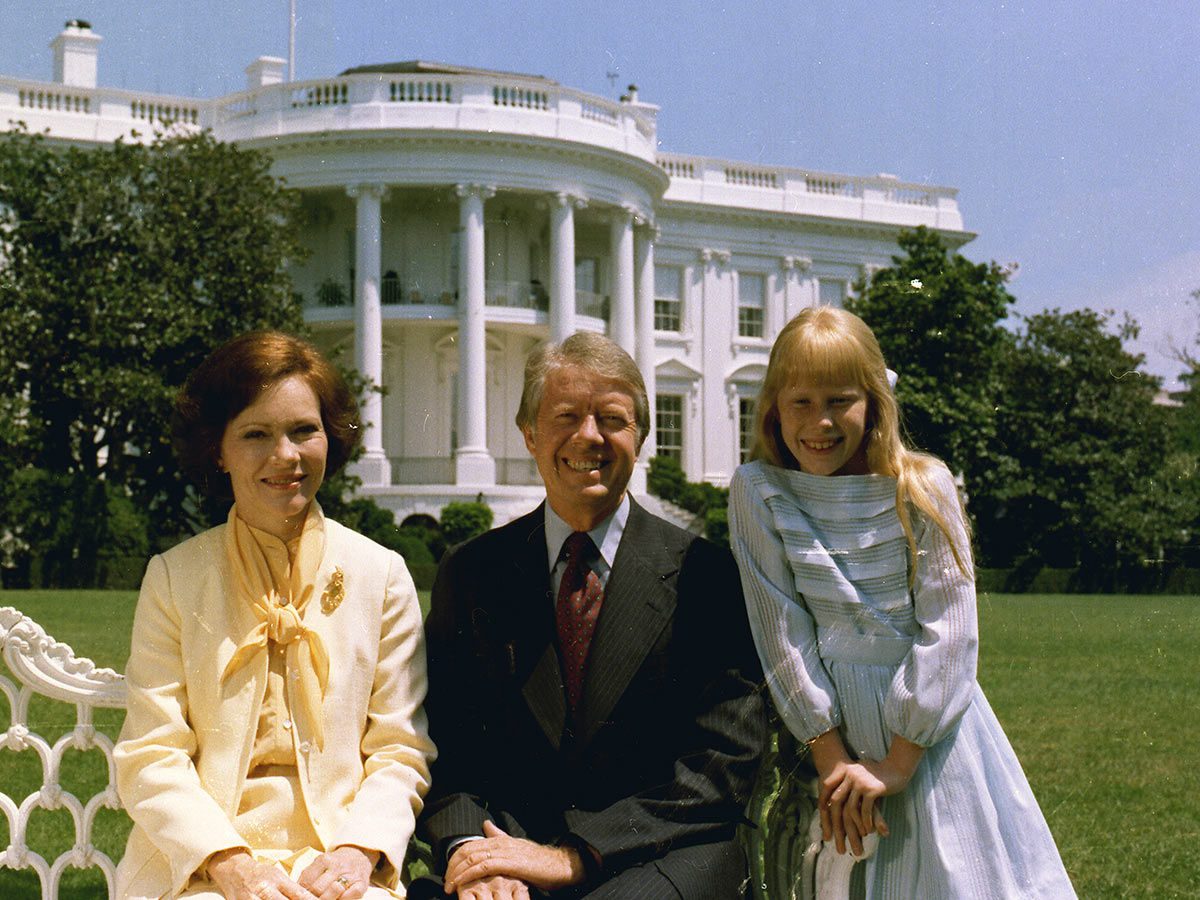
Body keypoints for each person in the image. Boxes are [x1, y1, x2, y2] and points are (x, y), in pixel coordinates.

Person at [728, 307, 1076, 899]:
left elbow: (950, 631)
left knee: (953, 875)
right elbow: (780, 632)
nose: (822, 422)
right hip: (828, 741)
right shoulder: (760, 491)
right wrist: (833, 760)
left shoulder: (921, 485)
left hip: (929, 740)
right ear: (773, 409)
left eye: (841, 400)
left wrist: (896, 765)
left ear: (874, 402)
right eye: (801, 403)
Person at [414, 332, 766, 900]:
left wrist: (577, 855)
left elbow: (720, 765)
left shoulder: (708, 576)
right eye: (566, 415)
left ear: (641, 437)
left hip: (660, 856)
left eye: (612, 419)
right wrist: (473, 854)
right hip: (509, 853)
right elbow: (445, 747)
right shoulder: (472, 572)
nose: (589, 436)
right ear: (529, 433)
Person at [114, 331, 436, 900]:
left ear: (330, 440)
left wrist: (358, 854)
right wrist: (231, 865)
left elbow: (399, 748)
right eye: (255, 434)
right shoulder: (174, 576)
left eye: (303, 431)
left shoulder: (381, 575)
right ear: (218, 449)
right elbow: (151, 754)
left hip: (341, 860)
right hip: (202, 868)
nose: (284, 455)